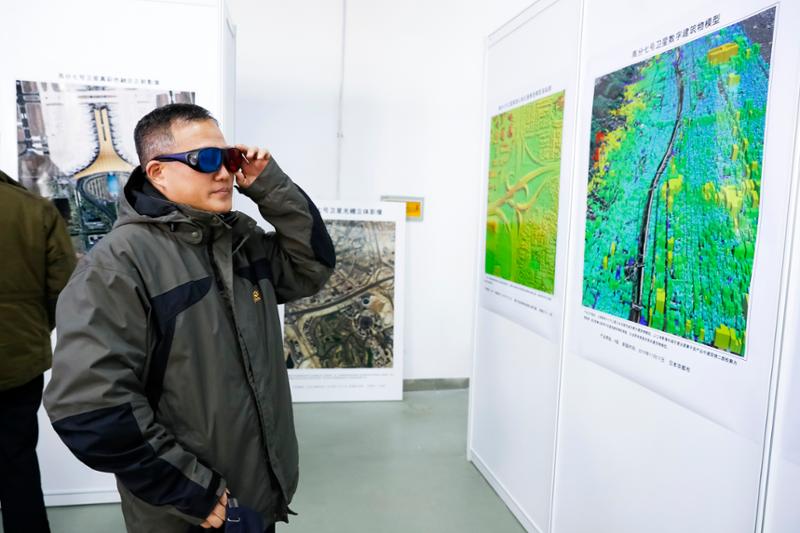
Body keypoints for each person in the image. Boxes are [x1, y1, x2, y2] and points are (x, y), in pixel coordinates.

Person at [43, 103, 335, 533]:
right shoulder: (117, 267)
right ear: (158, 172)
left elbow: (312, 266)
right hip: (191, 513)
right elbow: (89, 407)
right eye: (207, 159)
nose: (224, 172)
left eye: (229, 158)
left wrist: (269, 185)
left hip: (257, 496)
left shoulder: (239, 241)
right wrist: (194, 492)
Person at [0, 169, 76, 533]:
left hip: (20, 355)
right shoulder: (34, 209)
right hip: (17, 360)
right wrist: (29, 330)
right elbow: (63, 291)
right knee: (17, 463)